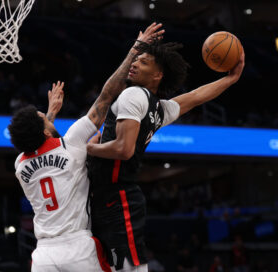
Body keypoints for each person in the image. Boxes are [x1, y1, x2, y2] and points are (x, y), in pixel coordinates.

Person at [87, 23, 245, 271]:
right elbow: (195, 97)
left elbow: (124, 149)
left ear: (157, 75)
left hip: (116, 197)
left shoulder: (133, 95)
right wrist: (230, 79)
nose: (135, 63)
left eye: (144, 62)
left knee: (130, 267)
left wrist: (90, 149)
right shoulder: (156, 108)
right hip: (115, 197)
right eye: (136, 59)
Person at [9, 24, 162, 272]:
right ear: (45, 130)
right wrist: (135, 50)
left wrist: (49, 116)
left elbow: (41, 148)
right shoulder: (73, 143)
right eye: (44, 118)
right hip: (77, 248)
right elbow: (106, 95)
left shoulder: (20, 165)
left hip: (43, 256)